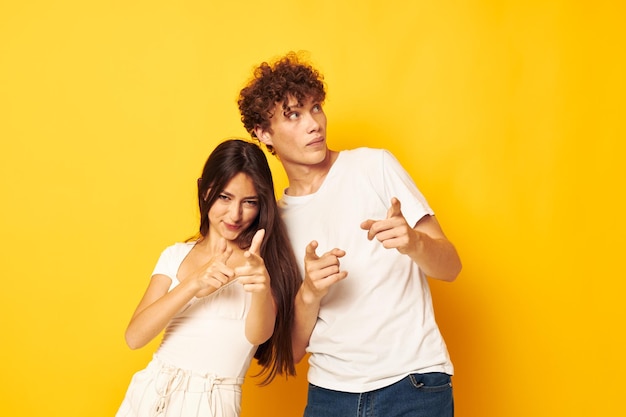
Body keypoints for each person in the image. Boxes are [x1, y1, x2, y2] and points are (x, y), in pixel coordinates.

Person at [237, 52, 462, 417]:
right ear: (264, 133)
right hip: (331, 396)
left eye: (316, 108)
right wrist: (309, 292)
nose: (314, 124)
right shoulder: (275, 223)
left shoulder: (374, 166)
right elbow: (292, 352)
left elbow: (451, 267)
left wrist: (414, 242)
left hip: (413, 384)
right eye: (294, 115)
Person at [116, 139, 301, 417]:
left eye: (249, 202)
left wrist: (261, 287)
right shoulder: (176, 254)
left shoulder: (262, 262)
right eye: (225, 198)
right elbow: (135, 337)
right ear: (205, 191)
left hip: (213, 401)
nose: (235, 214)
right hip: (152, 392)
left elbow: (257, 335)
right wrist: (193, 285)